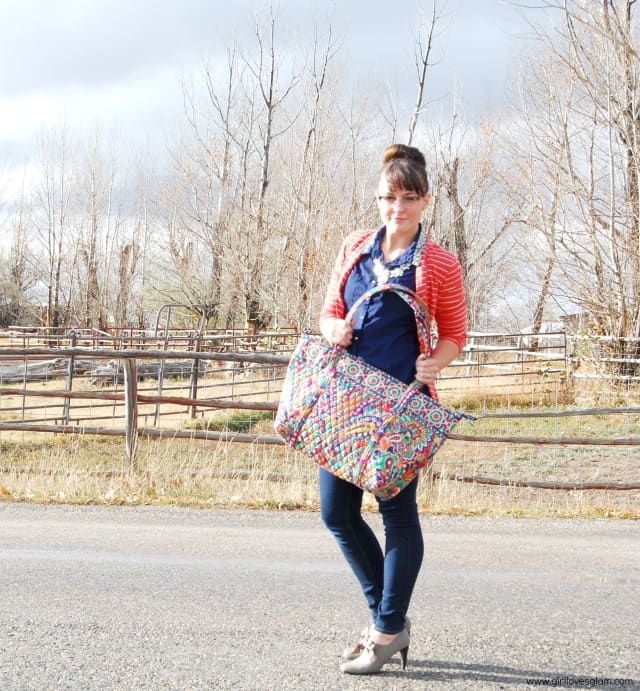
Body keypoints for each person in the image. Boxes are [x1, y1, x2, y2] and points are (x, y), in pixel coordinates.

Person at [318, 143, 467, 675]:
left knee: (396, 515)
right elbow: (330, 312)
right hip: (346, 402)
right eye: (388, 196)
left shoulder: (440, 263)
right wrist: (332, 328)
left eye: (408, 197)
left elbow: (455, 335)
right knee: (335, 512)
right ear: (376, 198)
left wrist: (437, 366)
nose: (396, 207)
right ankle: (390, 615)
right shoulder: (355, 246)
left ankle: (385, 629)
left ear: (425, 200)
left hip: (401, 407)